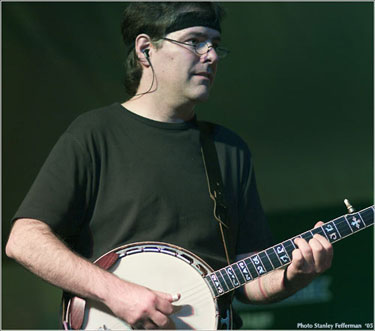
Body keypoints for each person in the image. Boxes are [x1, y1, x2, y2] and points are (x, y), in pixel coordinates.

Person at [6, 2, 333, 329]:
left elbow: (246, 279)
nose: (212, 56)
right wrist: (117, 293)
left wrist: (293, 277)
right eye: (195, 41)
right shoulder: (95, 134)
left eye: (215, 45)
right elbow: (24, 240)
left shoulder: (229, 150)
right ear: (146, 49)